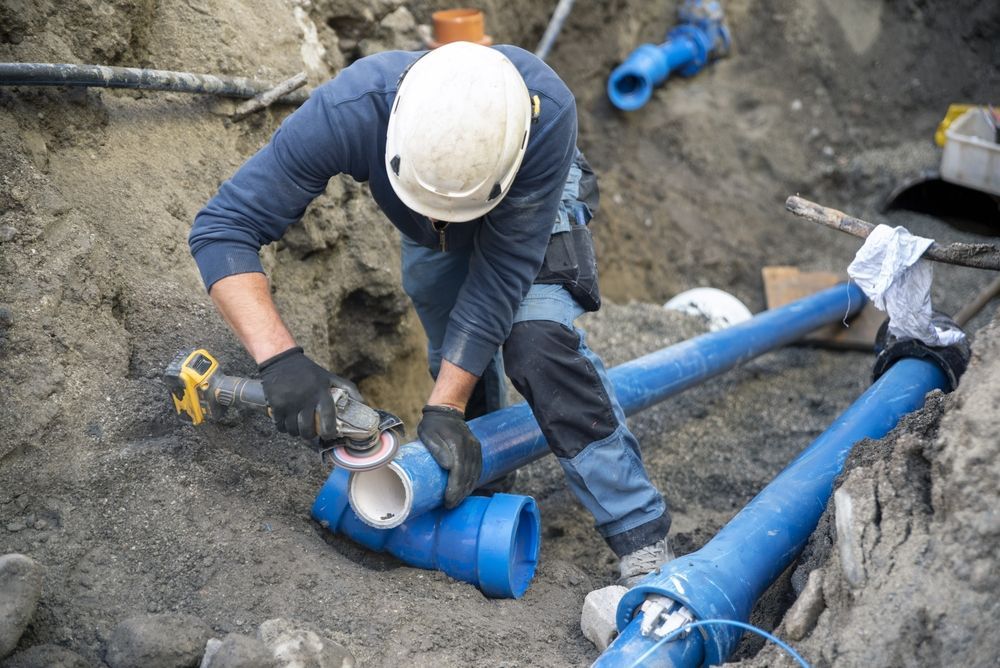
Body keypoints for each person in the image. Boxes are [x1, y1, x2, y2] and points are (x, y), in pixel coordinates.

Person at [189, 41, 671, 585]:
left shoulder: (545, 115)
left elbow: (500, 276)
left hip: (532, 193)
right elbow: (223, 228)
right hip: (426, 203)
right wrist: (280, 361)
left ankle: (640, 531)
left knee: (536, 344)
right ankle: (483, 479)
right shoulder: (352, 110)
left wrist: (445, 407)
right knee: (454, 349)